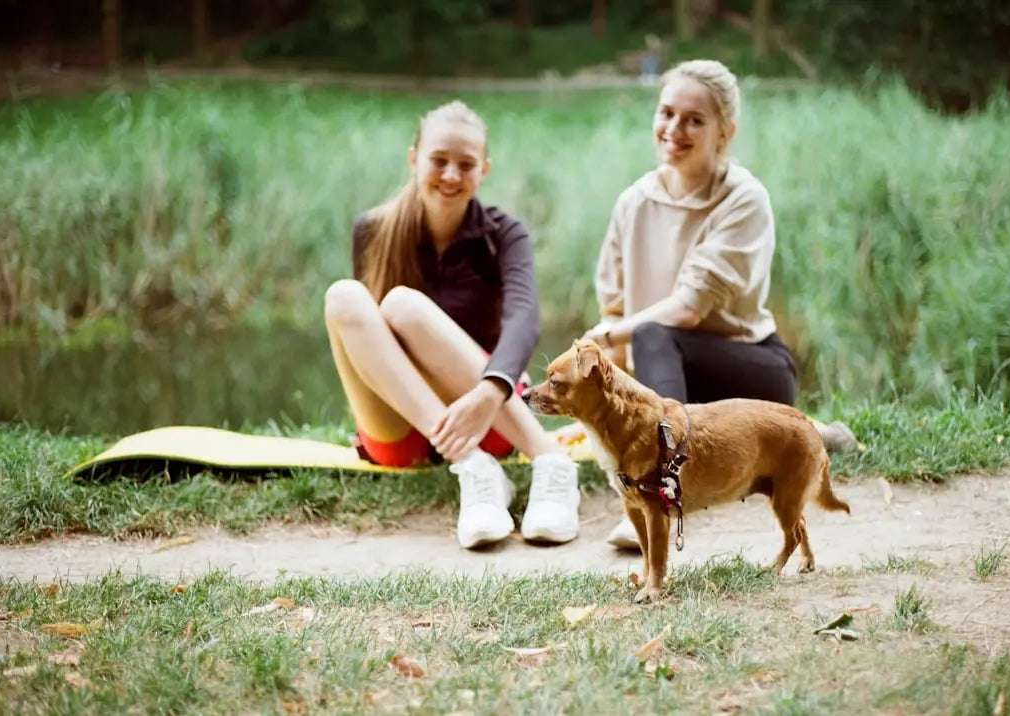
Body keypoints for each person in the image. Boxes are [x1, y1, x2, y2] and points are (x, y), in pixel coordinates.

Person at [581, 59, 856, 549]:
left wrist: (605, 339)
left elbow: (686, 309)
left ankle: (660, 493)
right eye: (666, 113)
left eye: (694, 120)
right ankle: (813, 437)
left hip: (749, 368)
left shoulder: (744, 199)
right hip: (663, 380)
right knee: (641, 345)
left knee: (652, 334)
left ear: (725, 133)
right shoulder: (633, 202)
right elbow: (615, 307)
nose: (674, 129)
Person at [323, 100, 580, 550]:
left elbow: (525, 314)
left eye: (465, 164)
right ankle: (474, 469)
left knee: (402, 305)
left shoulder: (505, 234)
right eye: (439, 161)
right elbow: (367, 341)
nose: (450, 175)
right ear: (414, 159)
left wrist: (490, 389)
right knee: (345, 296)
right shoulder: (372, 229)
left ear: (484, 169)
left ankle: (551, 464)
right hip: (402, 431)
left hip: (488, 419)